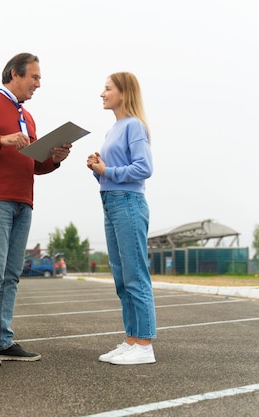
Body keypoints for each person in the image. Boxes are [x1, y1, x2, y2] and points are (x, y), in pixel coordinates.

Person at [0, 52, 72, 366]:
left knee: (10, 274)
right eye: (34, 77)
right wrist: (1, 139)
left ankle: (3, 340)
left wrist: (56, 157)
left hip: (24, 200)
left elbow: (36, 164)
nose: (38, 84)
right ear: (14, 74)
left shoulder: (28, 117)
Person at [86, 72, 156, 365]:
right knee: (121, 278)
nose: (102, 93)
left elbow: (144, 168)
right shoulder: (114, 128)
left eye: (107, 88)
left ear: (123, 93)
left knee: (135, 276)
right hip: (111, 202)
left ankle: (144, 346)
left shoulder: (134, 126)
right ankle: (131, 339)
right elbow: (110, 171)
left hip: (128, 203)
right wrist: (96, 167)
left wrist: (107, 172)